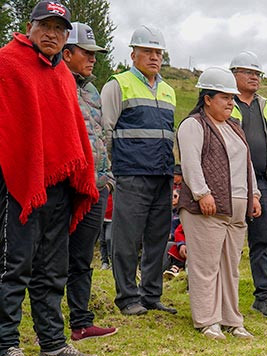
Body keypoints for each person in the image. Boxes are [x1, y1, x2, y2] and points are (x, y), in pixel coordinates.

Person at [0, 1, 98, 356]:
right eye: (46, 26)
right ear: (31, 25)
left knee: (53, 267)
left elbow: (68, 132)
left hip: (57, 183)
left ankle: (53, 343)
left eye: (60, 29)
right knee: (15, 263)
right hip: (21, 180)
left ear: (66, 36)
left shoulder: (60, 74)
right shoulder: (5, 64)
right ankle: (5, 345)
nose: (52, 34)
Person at [176, 67, 261, 340]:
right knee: (205, 265)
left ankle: (231, 319)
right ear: (207, 99)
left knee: (230, 267)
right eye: (224, 97)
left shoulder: (235, 128)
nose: (230, 103)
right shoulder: (194, 125)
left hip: (236, 208)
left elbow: (246, 165)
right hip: (208, 207)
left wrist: (255, 195)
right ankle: (207, 320)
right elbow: (190, 163)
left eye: (232, 98)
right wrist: (202, 193)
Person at [101, 25, 177, 316]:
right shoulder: (118, 85)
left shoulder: (168, 91)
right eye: (148, 51)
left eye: (158, 52)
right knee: (127, 237)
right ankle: (127, 297)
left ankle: (151, 295)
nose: (154, 57)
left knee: (158, 236)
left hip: (162, 174)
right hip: (130, 173)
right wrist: (111, 169)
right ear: (133, 54)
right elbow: (105, 130)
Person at [62, 22, 117, 341]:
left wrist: (106, 177)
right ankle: (50, 327)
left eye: (95, 53)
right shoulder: (55, 84)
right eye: (87, 52)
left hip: (96, 188)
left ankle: (81, 323)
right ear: (66, 53)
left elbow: (100, 136)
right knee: (54, 259)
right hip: (67, 189)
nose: (93, 58)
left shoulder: (92, 90)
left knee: (83, 258)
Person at [229, 51, 267, 318]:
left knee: (261, 240)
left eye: (258, 74)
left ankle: (262, 298)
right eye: (248, 72)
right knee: (227, 240)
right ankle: (223, 297)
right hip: (230, 183)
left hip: (262, 183)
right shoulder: (225, 101)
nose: (254, 77)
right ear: (234, 74)